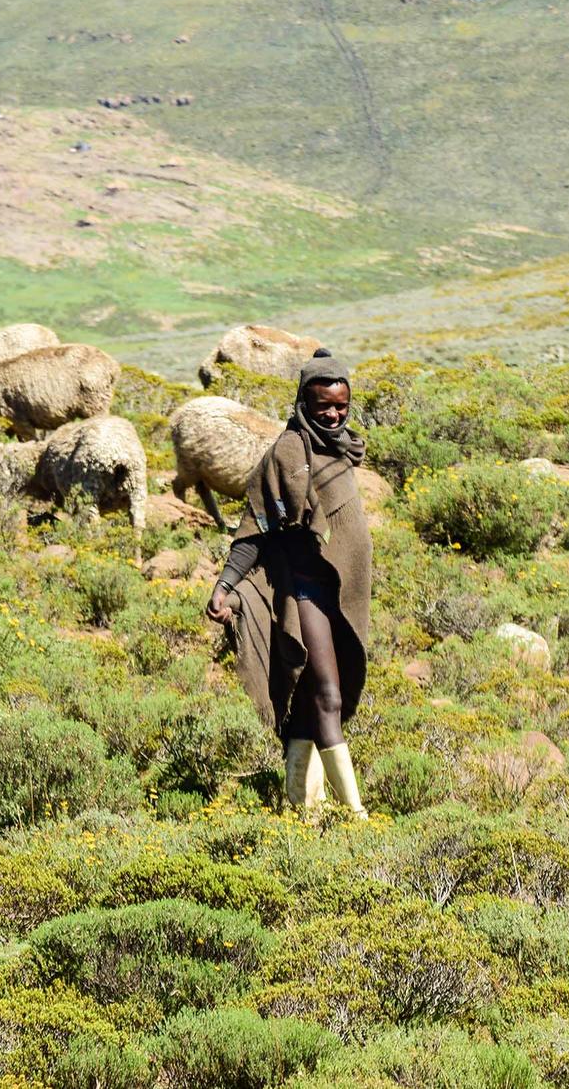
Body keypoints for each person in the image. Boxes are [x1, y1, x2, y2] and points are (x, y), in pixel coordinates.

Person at [207, 349, 371, 818]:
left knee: (308, 703)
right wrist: (225, 584)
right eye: (324, 407)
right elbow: (256, 526)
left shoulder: (340, 449)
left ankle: (303, 810)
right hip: (302, 592)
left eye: (341, 406)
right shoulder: (286, 453)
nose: (335, 415)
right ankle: (355, 816)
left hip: (338, 595)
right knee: (327, 696)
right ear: (304, 402)